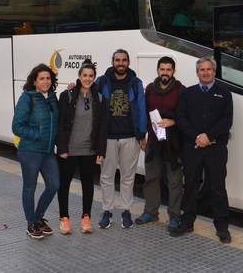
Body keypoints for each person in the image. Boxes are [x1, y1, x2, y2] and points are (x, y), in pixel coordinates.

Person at [171, 56, 233, 244]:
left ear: (214, 72)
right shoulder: (188, 94)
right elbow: (181, 118)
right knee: (190, 186)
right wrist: (197, 137)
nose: (205, 73)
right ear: (197, 73)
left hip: (216, 149)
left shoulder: (224, 93)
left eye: (209, 69)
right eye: (201, 70)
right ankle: (187, 222)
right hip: (193, 148)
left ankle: (222, 227)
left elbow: (227, 121)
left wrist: (209, 137)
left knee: (218, 188)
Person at [96, 49, 147, 229]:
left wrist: (142, 134)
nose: (120, 63)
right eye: (117, 60)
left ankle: (126, 211)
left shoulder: (135, 83)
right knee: (107, 176)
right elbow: (89, 98)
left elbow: (141, 108)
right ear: (112, 61)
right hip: (108, 138)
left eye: (124, 60)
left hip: (130, 138)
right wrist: (74, 87)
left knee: (128, 177)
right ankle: (107, 211)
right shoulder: (102, 81)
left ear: (128, 62)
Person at [56, 60, 107, 235]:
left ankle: (86, 217)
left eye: (91, 76)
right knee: (64, 184)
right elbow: (60, 124)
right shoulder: (67, 95)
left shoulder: (99, 98)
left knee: (88, 184)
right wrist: (61, 148)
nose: (87, 78)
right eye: (84, 75)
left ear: (94, 78)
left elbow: (102, 127)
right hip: (68, 151)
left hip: (89, 150)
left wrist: (101, 150)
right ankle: (64, 218)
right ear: (79, 76)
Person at [135, 57, 185, 231]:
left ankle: (175, 216)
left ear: (173, 71)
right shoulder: (150, 89)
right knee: (151, 179)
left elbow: (187, 115)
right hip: (154, 142)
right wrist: (142, 136)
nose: (165, 73)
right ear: (157, 70)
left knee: (174, 182)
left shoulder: (180, 90)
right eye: (162, 69)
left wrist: (173, 122)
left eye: (168, 69)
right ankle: (150, 212)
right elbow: (142, 112)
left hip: (174, 143)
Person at [12, 63, 60, 240]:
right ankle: (30, 223)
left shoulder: (52, 98)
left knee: (54, 184)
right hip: (30, 151)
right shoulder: (27, 98)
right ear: (34, 81)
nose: (45, 81)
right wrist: (38, 133)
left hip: (47, 152)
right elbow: (16, 126)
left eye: (48, 78)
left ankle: (38, 217)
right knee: (30, 187)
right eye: (42, 78)